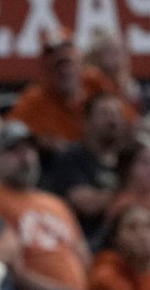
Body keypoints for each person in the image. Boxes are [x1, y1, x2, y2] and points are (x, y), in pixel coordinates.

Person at [0, 120, 92, 290]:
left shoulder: (56, 203)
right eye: (14, 151)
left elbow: (84, 256)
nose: (25, 157)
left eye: (29, 149)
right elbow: (15, 273)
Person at [45, 92, 132, 239]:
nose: (113, 120)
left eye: (117, 114)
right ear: (86, 121)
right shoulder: (71, 158)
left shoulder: (129, 157)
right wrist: (130, 193)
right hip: (89, 238)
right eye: (105, 113)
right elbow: (86, 204)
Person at [7, 31, 89, 154]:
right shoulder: (33, 100)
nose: (64, 71)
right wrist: (39, 141)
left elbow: (124, 118)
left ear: (80, 62)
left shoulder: (95, 85)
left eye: (67, 63)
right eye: (57, 66)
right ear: (46, 68)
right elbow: (10, 135)